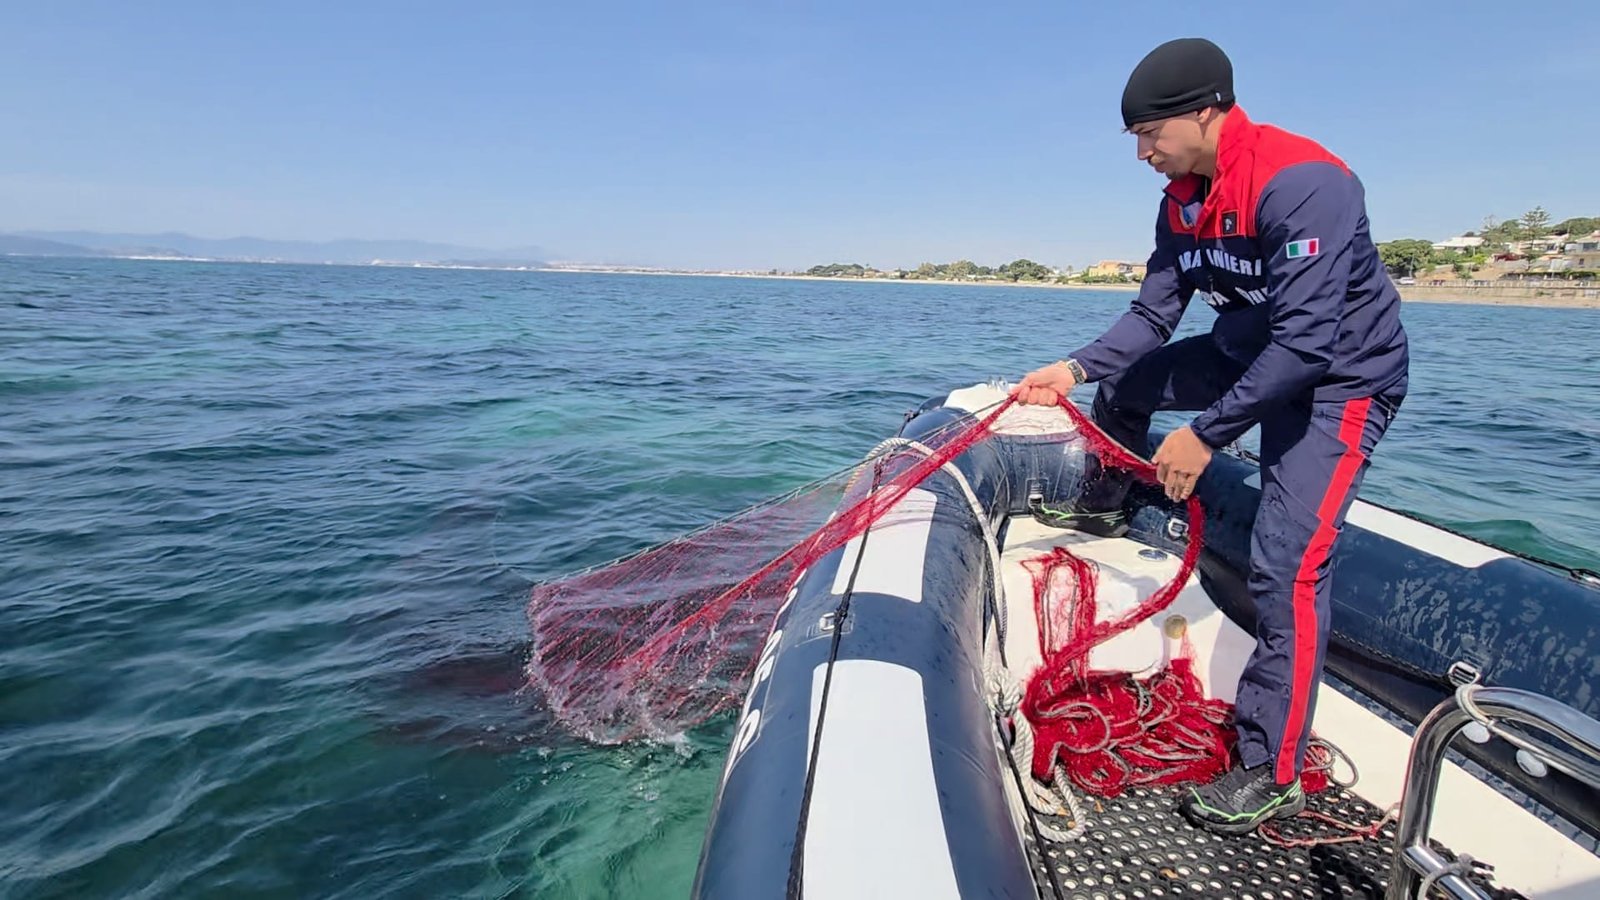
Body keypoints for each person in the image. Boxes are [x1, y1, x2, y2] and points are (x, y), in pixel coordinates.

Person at [1011, 37, 1409, 835]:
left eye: (1151, 134)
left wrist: (1203, 435)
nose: (1144, 154)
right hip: (1246, 354)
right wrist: (1076, 367)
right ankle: (1110, 502)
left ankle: (1273, 767)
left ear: (1206, 112)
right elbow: (1156, 314)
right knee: (1129, 381)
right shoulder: (1179, 201)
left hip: (1339, 382)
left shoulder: (1304, 183)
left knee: (1287, 565)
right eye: (1135, 140)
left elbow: (1306, 344)